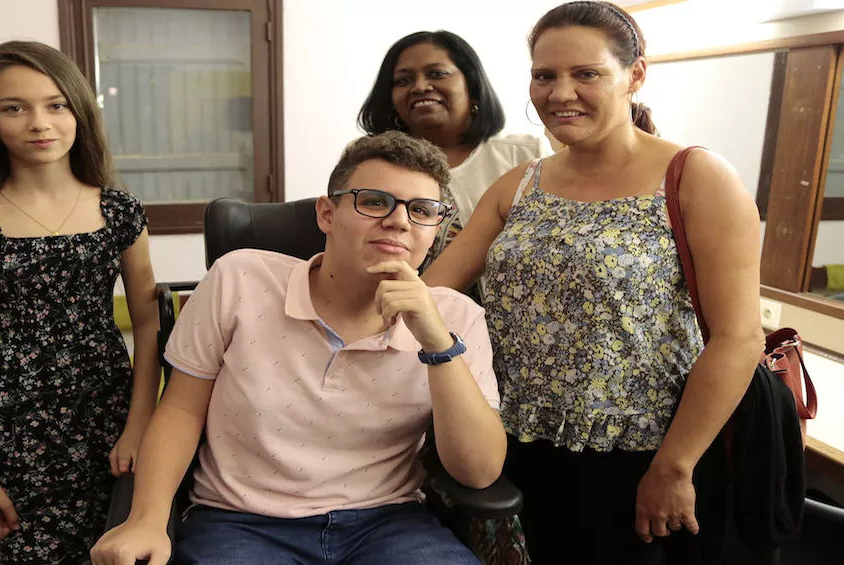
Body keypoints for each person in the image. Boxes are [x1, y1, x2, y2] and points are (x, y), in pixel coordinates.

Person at [422, 2, 765, 564]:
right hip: (517, 444)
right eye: (544, 76)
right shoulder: (521, 184)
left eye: (586, 73)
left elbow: (739, 337)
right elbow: (433, 295)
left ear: (635, 75)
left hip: (643, 455)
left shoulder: (696, 177)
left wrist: (674, 467)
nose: (561, 94)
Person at [90, 131, 506, 565]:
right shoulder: (239, 280)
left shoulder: (456, 318)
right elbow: (180, 411)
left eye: (421, 210)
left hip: (388, 522)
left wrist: (438, 344)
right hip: (242, 521)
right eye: (375, 201)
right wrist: (147, 520)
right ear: (327, 214)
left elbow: (479, 472)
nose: (399, 221)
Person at [0, 40, 160, 564]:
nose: (39, 123)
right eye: (14, 107)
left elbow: (148, 325)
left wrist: (139, 424)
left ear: (80, 111)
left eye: (56, 104)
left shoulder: (120, 211)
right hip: (10, 430)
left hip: (106, 418)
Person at [359, 30, 552, 275]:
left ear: (471, 85)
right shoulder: (367, 158)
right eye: (403, 80)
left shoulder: (526, 154)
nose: (420, 87)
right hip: (386, 296)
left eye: (437, 74)